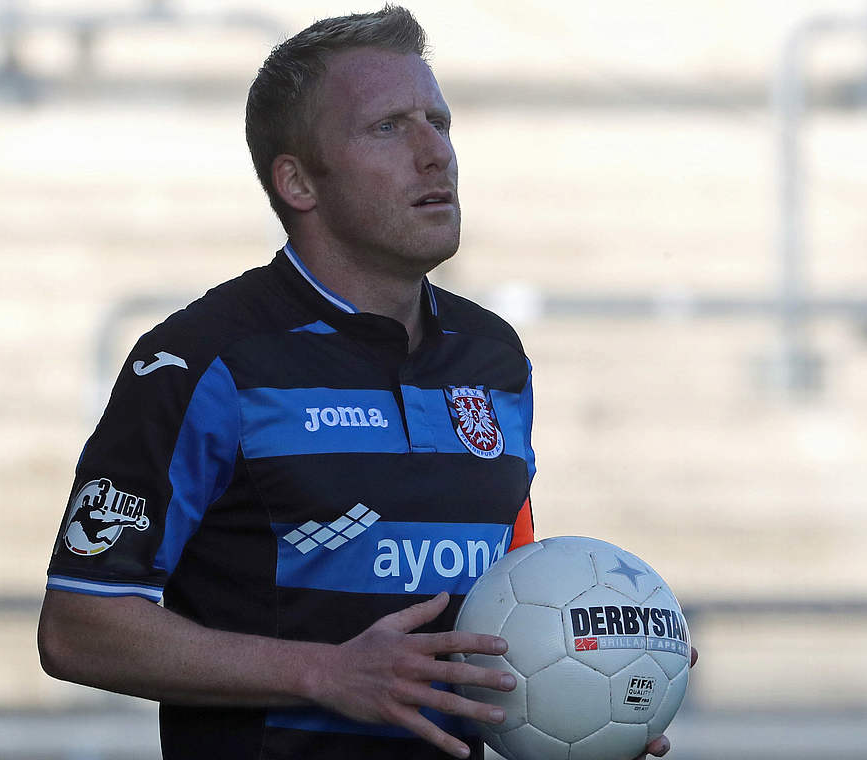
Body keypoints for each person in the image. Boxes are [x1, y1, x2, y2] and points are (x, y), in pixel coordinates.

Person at [38, 6, 689, 759]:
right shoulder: (204, 361)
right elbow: (79, 627)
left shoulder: (494, 359)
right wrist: (325, 673)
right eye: (388, 127)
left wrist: (593, 690)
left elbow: (502, 607)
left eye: (438, 121)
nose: (434, 153)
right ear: (299, 182)